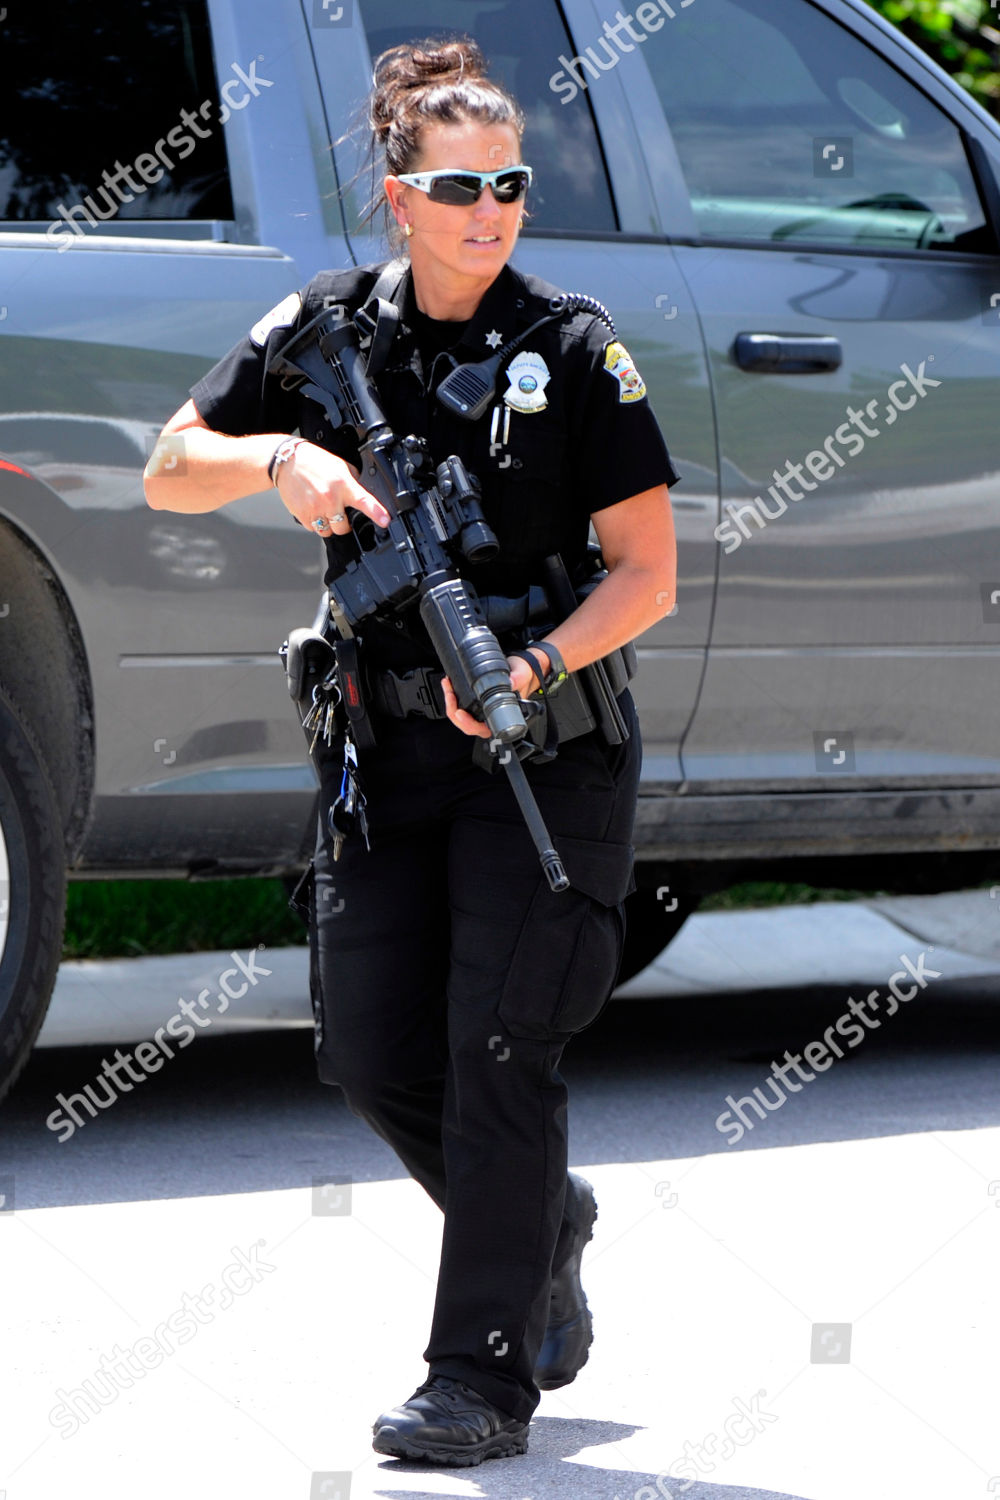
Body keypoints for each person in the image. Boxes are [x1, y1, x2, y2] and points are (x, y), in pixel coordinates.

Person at [144, 36, 678, 1467]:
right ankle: (540, 1222)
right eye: (459, 186)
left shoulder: (571, 349)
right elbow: (165, 462)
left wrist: (535, 658)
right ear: (400, 193)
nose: (491, 207)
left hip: (539, 746)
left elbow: (648, 573)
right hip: (385, 753)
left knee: (502, 1048)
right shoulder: (324, 329)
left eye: (509, 181)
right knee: (373, 1053)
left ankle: (480, 1378)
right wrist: (280, 459)